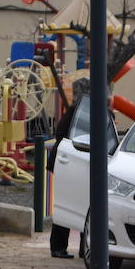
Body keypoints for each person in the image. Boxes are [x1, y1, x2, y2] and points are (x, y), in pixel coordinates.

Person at [46, 97, 78, 259]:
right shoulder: (82, 111)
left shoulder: (77, 109)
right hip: (68, 162)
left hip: (66, 161)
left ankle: (60, 246)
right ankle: (58, 247)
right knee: (68, 205)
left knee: (70, 204)